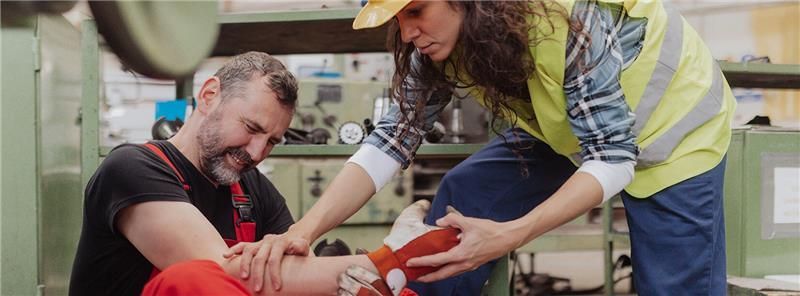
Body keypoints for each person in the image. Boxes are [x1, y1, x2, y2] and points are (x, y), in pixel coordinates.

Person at [249, 1, 736, 295]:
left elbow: (612, 156)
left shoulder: (567, 18)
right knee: (470, 190)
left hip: (674, 135)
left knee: (674, 289)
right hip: (568, 127)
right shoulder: (438, 43)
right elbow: (390, 141)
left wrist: (512, 234)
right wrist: (304, 230)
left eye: (416, 11)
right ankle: (414, 295)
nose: (407, 31)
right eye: (397, 18)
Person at [69, 51, 459, 296]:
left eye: (272, 140)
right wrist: (392, 261)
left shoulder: (251, 188)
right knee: (194, 280)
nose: (257, 152)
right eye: (252, 128)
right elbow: (225, 275)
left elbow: (297, 275)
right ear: (208, 97)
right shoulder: (133, 169)